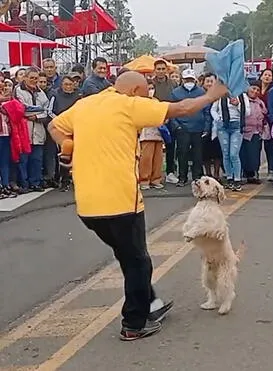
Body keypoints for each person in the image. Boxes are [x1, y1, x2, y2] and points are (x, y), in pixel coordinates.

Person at [47, 71, 229, 341]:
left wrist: (66, 145)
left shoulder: (85, 104)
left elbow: (55, 127)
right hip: (121, 203)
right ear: (134, 91)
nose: (147, 99)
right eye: (145, 94)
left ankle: (151, 304)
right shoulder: (129, 105)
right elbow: (181, 108)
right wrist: (212, 95)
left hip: (87, 206)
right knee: (138, 262)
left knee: (128, 256)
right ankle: (134, 323)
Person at [169, 69, 211, 187]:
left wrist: (207, 128)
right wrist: (176, 126)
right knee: (182, 154)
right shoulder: (175, 93)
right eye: (187, 79)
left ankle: (197, 177)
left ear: (195, 80)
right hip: (182, 128)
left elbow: (207, 111)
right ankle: (182, 177)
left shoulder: (202, 92)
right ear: (182, 80)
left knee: (198, 155)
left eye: (191, 80)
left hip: (198, 129)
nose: (189, 82)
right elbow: (171, 111)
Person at [15, 67, 49, 192]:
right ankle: (25, 183)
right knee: (24, 159)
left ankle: (36, 182)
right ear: (25, 78)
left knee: (37, 159)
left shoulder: (41, 93)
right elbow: (22, 109)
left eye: (36, 78)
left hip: (38, 130)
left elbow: (47, 110)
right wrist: (37, 110)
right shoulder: (18, 90)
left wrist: (36, 115)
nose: (34, 80)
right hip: (25, 130)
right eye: (31, 78)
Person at [46, 75, 81, 191]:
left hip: (76, 128)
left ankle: (77, 178)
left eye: (70, 84)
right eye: (66, 84)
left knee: (78, 154)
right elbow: (49, 111)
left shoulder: (79, 96)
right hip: (62, 129)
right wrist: (60, 121)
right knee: (65, 153)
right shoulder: (55, 95)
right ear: (61, 85)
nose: (68, 87)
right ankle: (64, 180)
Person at [212, 92, 251, 191]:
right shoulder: (220, 95)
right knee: (226, 154)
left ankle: (237, 179)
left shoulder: (242, 95)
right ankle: (229, 177)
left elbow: (247, 112)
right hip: (223, 126)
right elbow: (213, 109)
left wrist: (238, 105)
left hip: (237, 126)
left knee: (234, 154)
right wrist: (218, 118)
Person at [152, 60, 179, 184]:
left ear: (167, 70)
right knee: (154, 148)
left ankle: (170, 172)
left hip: (170, 118)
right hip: (155, 118)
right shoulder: (151, 84)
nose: (161, 71)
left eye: (163, 69)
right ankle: (153, 175)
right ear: (155, 70)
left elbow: (176, 101)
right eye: (159, 69)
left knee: (171, 147)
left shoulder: (173, 83)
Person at [138, 80, 165, 190]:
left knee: (158, 158)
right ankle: (144, 180)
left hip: (157, 133)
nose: (151, 91)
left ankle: (156, 179)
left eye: (152, 88)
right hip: (146, 134)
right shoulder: (140, 102)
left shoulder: (156, 101)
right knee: (146, 158)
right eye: (148, 89)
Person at [243, 80, 268, 184]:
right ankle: (245, 174)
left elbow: (265, 114)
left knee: (255, 154)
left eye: (258, 89)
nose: (255, 91)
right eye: (253, 88)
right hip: (244, 132)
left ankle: (254, 174)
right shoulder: (243, 100)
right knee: (245, 154)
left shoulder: (260, 102)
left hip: (257, 132)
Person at [201, 73, 223, 179]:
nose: (209, 84)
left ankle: (217, 174)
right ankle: (208, 173)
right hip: (204, 127)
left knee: (217, 152)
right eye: (207, 81)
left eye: (211, 81)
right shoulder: (200, 95)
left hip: (217, 127)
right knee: (205, 152)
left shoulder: (219, 95)